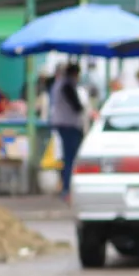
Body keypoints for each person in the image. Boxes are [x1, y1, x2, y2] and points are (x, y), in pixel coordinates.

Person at [50, 64, 91, 201]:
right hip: (70, 125)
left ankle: (66, 187)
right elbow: (77, 107)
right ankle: (67, 188)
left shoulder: (59, 84)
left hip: (63, 124)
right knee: (71, 158)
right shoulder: (67, 86)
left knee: (67, 157)